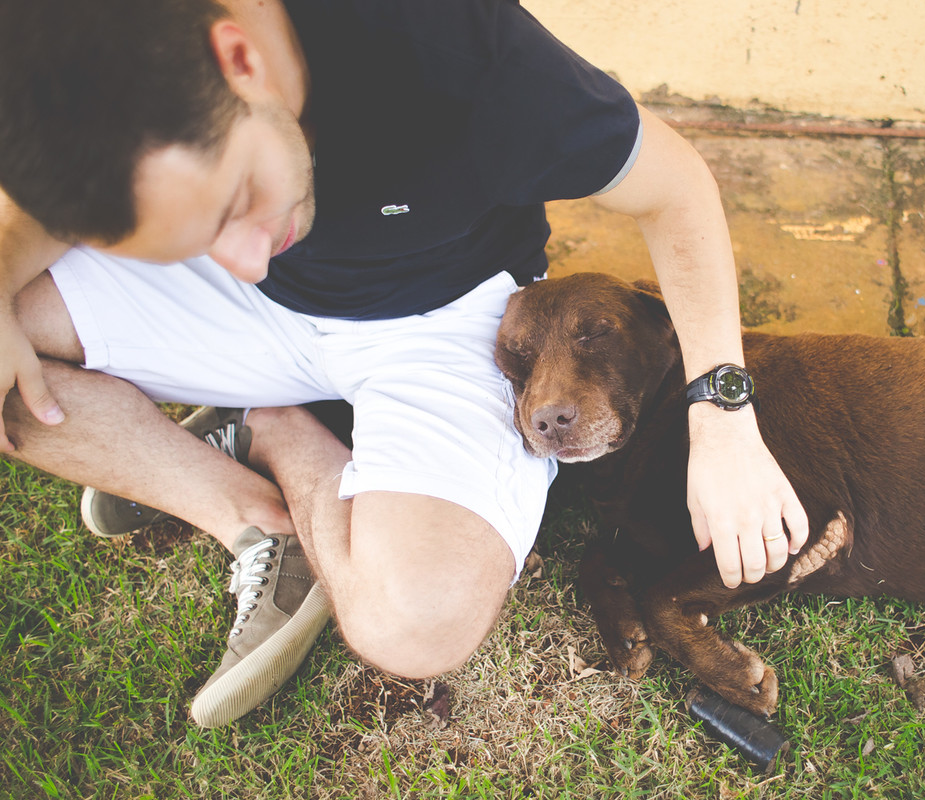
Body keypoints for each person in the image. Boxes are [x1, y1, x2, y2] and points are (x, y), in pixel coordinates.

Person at [0, 0, 809, 727]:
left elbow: (675, 188)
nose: (246, 255)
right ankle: (248, 515)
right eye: (197, 233)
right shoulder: (80, 51)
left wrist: (723, 417)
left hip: (445, 314)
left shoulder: (449, 44)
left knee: (418, 624)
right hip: (240, 314)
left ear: (240, 59)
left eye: (232, 202)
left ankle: (279, 430)